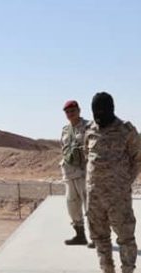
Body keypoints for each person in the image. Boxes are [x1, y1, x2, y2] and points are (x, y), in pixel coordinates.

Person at [84, 92, 141, 273]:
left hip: (118, 196)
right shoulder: (90, 130)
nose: (99, 115)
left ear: (111, 109)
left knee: (125, 236)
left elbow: (138, 159)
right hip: (95, 195)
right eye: (95, 112)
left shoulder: (126, 130)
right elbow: (88, 156)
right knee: (99, 236)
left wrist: (124, 182)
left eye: (103, 111)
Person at [59, 100, 91, 246]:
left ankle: (95, 237)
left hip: (84, 172)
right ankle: (80, 235)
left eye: (73, 111)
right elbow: (64, 148)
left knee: (89, 205)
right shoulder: (65, 130)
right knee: (72, 205)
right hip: (69, 173)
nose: (70, 114)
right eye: (67, 112)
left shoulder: (89, 126)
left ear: (79, 110)